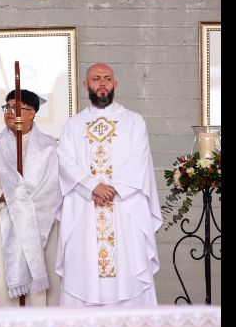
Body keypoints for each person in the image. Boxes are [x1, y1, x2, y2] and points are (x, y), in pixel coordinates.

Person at [56, 63, 162, 307]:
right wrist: (92, 185)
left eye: (107, 78)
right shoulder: (72, 125)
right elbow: (64, 161)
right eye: (95, 78)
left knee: (130, 265)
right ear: (86, 85)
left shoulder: (134, 121)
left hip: (124, 208)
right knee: (83, 269)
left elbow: (139, 159)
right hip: (85, 208)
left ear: (115, 84)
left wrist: (111, 188)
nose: (102, 83)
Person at [0, 89, 61, 307]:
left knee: (42, 288)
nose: (10, 112)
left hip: (42, 224)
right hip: (5, 221)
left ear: (32, 113)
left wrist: (27, 203)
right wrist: (5, 195)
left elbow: (58, 186)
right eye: (7, 107)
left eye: (16, 108)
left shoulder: (51, 148)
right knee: (3, 287)